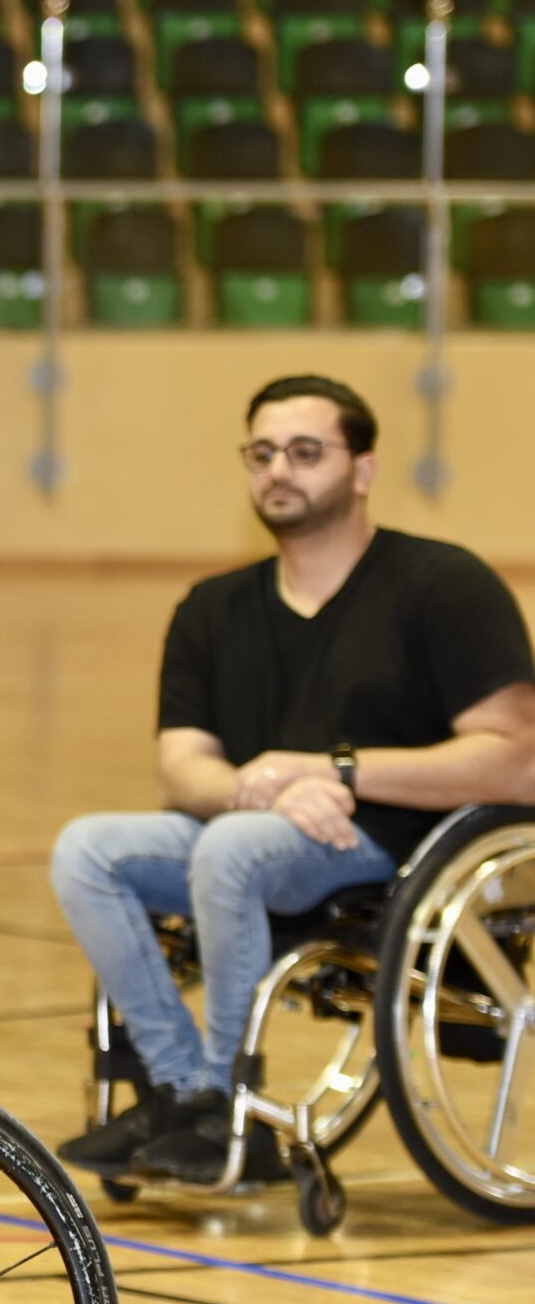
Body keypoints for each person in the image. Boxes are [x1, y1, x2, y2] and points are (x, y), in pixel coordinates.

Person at [53, 377, 535, 1185]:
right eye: (263, 452)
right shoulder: (212, 607)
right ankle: (184, 1092)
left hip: (395, 841)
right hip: (256, 826)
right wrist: (272, 786)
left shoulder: (443, 585)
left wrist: (335, 770)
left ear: (363, 468)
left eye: (306, 452)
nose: (280, 469)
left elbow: (516, 757)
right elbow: (184, 768)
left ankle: (227, 1106)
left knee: (235, 847)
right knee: (87, 849)